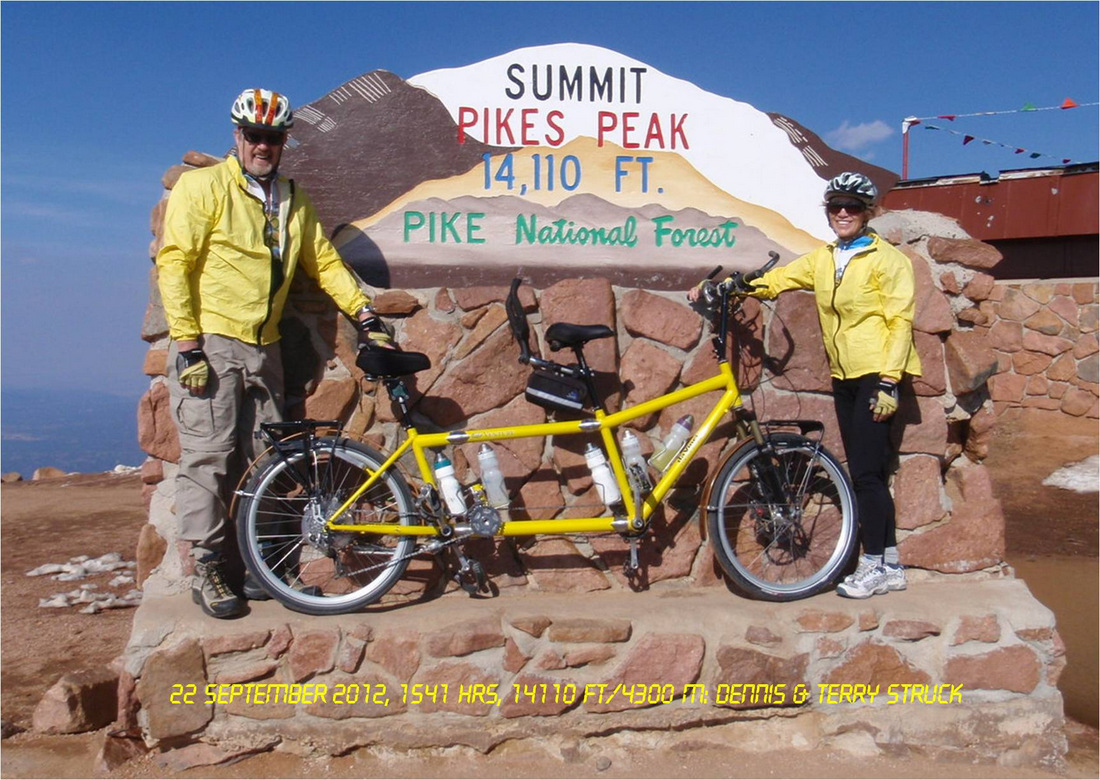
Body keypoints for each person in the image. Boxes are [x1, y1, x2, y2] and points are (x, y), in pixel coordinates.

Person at [156, 88, 394, 618]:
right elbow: (176, 264)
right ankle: (209, 568)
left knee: (265, 463)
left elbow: (323, 262)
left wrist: (364, 314)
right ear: (237, 136)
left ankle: (261, 562)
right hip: (213, 344)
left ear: (284, 141)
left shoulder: (290, 197)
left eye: (273, 137)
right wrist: (188, 344)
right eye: (254, 135)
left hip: (265, 348)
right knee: (209, 459)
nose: (263, 145)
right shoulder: (204, 187)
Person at [691, 171, 921, 599]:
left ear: (868, 212)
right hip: (843, 375)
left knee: (868, 475)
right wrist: (732, 287)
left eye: (853, 206)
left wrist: (890, 382)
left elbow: (900, 321)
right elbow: (780, 280)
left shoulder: (889, 261)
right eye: (836, 206)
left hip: (875, 372)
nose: (844, 213)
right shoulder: (826, 257)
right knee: (867, 471)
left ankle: (873, 564)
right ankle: (891, 564)